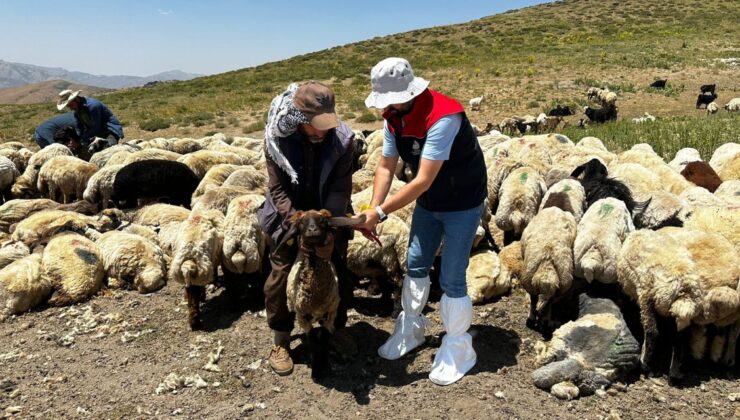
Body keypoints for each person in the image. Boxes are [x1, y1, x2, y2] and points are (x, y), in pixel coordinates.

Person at [356, 57, 487, 385]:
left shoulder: (444, 116)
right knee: (415, 263)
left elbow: (423, 178)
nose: (385, 107)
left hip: (462, 202)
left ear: (409, 93)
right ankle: (411, 328)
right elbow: (387, 166)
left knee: (452, 275)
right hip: (430, 202)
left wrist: (382, 212)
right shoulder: (393, 118)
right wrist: (373, 209)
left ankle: (458, 345)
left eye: (390, 100)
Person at [256, 81, 357, 376]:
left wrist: (328, 231)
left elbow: (340, 188)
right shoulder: (277, 139)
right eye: (315, 125)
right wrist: (297, 225)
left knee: (338, 265)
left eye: (326, 124)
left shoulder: (343, 140)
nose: (321, 131)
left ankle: (336, 325)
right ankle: (282, 338)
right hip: (290, 215)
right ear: (299, 118)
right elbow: (277, 190)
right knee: (281, 273)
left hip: (328, 214)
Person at [56, 90, 124, 153]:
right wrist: (76, 139)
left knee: (108, 151)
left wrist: (81, 141)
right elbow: (79, 127)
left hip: (109, 131)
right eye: (69, 106)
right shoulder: (77, 112)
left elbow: (96, 127)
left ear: (76, 99)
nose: (71, 108)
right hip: (96, 134)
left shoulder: (93, 106)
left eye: (71, 105)